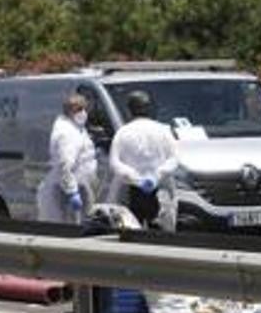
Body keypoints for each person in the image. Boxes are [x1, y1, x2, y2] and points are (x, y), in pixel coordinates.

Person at [106, 90, 179, 231]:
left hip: (131, 192)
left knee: (132, 233)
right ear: (149, 108)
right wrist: (156, 176)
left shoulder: (123, 132)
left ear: (129, 110)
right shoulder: (164, 130)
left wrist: (135, 178)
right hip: (160, 190)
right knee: (161, 235)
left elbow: (114, 163)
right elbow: (174, 159)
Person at [37, 94, 98, 224]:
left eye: (84, 108)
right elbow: (64, 165)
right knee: (72, 228)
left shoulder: (75, 128)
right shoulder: (67, 133)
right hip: (68, 190)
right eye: (78, 109)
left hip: (77, 185)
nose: (83, 113)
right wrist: (72, 192)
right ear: (68, 111)